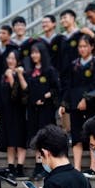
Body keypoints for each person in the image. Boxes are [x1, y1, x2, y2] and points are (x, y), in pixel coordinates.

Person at [59, 34, 95, 177]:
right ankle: (76, 168)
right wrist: (64, 103)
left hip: (92, 104)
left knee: (92, 135)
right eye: (80, 47)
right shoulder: (74, 64)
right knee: (76, 136)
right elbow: (68, 85)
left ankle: (93, 167)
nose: (82, 49)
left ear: (91, 47)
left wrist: (86, 99)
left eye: (85, 46)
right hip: (74, 103)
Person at [17, 42, 60, 180]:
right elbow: (27, 90)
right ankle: (38, 165)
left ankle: (47, 166)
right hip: (33, 109)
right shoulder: (30, 72)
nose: (34, 55)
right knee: (36, 137)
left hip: (46, 110)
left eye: (37, 52)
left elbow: (56, 88)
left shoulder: (49, 70)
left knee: (46, 137)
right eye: (32, 53)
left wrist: (47, 96)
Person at [0, 49, 28, 179]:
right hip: (6, 112)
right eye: (9, 58)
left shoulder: (20, 73)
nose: (10, 61)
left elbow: (18, 95)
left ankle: (20, 167)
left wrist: (12, 77)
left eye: (13, 58)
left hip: (18, 111)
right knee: (9, 141)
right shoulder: (4, 75)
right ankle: (11, 166)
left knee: (19, 140)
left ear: (18, 60)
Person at [59, 9, 83, 133]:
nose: (63, 20)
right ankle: (66, 132)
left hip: (78, 75)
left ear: (73, 18)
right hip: (64, 76)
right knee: (64, 103)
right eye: (61, 18)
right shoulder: (62, 38)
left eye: (65, 17)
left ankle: (79, 133)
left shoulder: (80, 35)